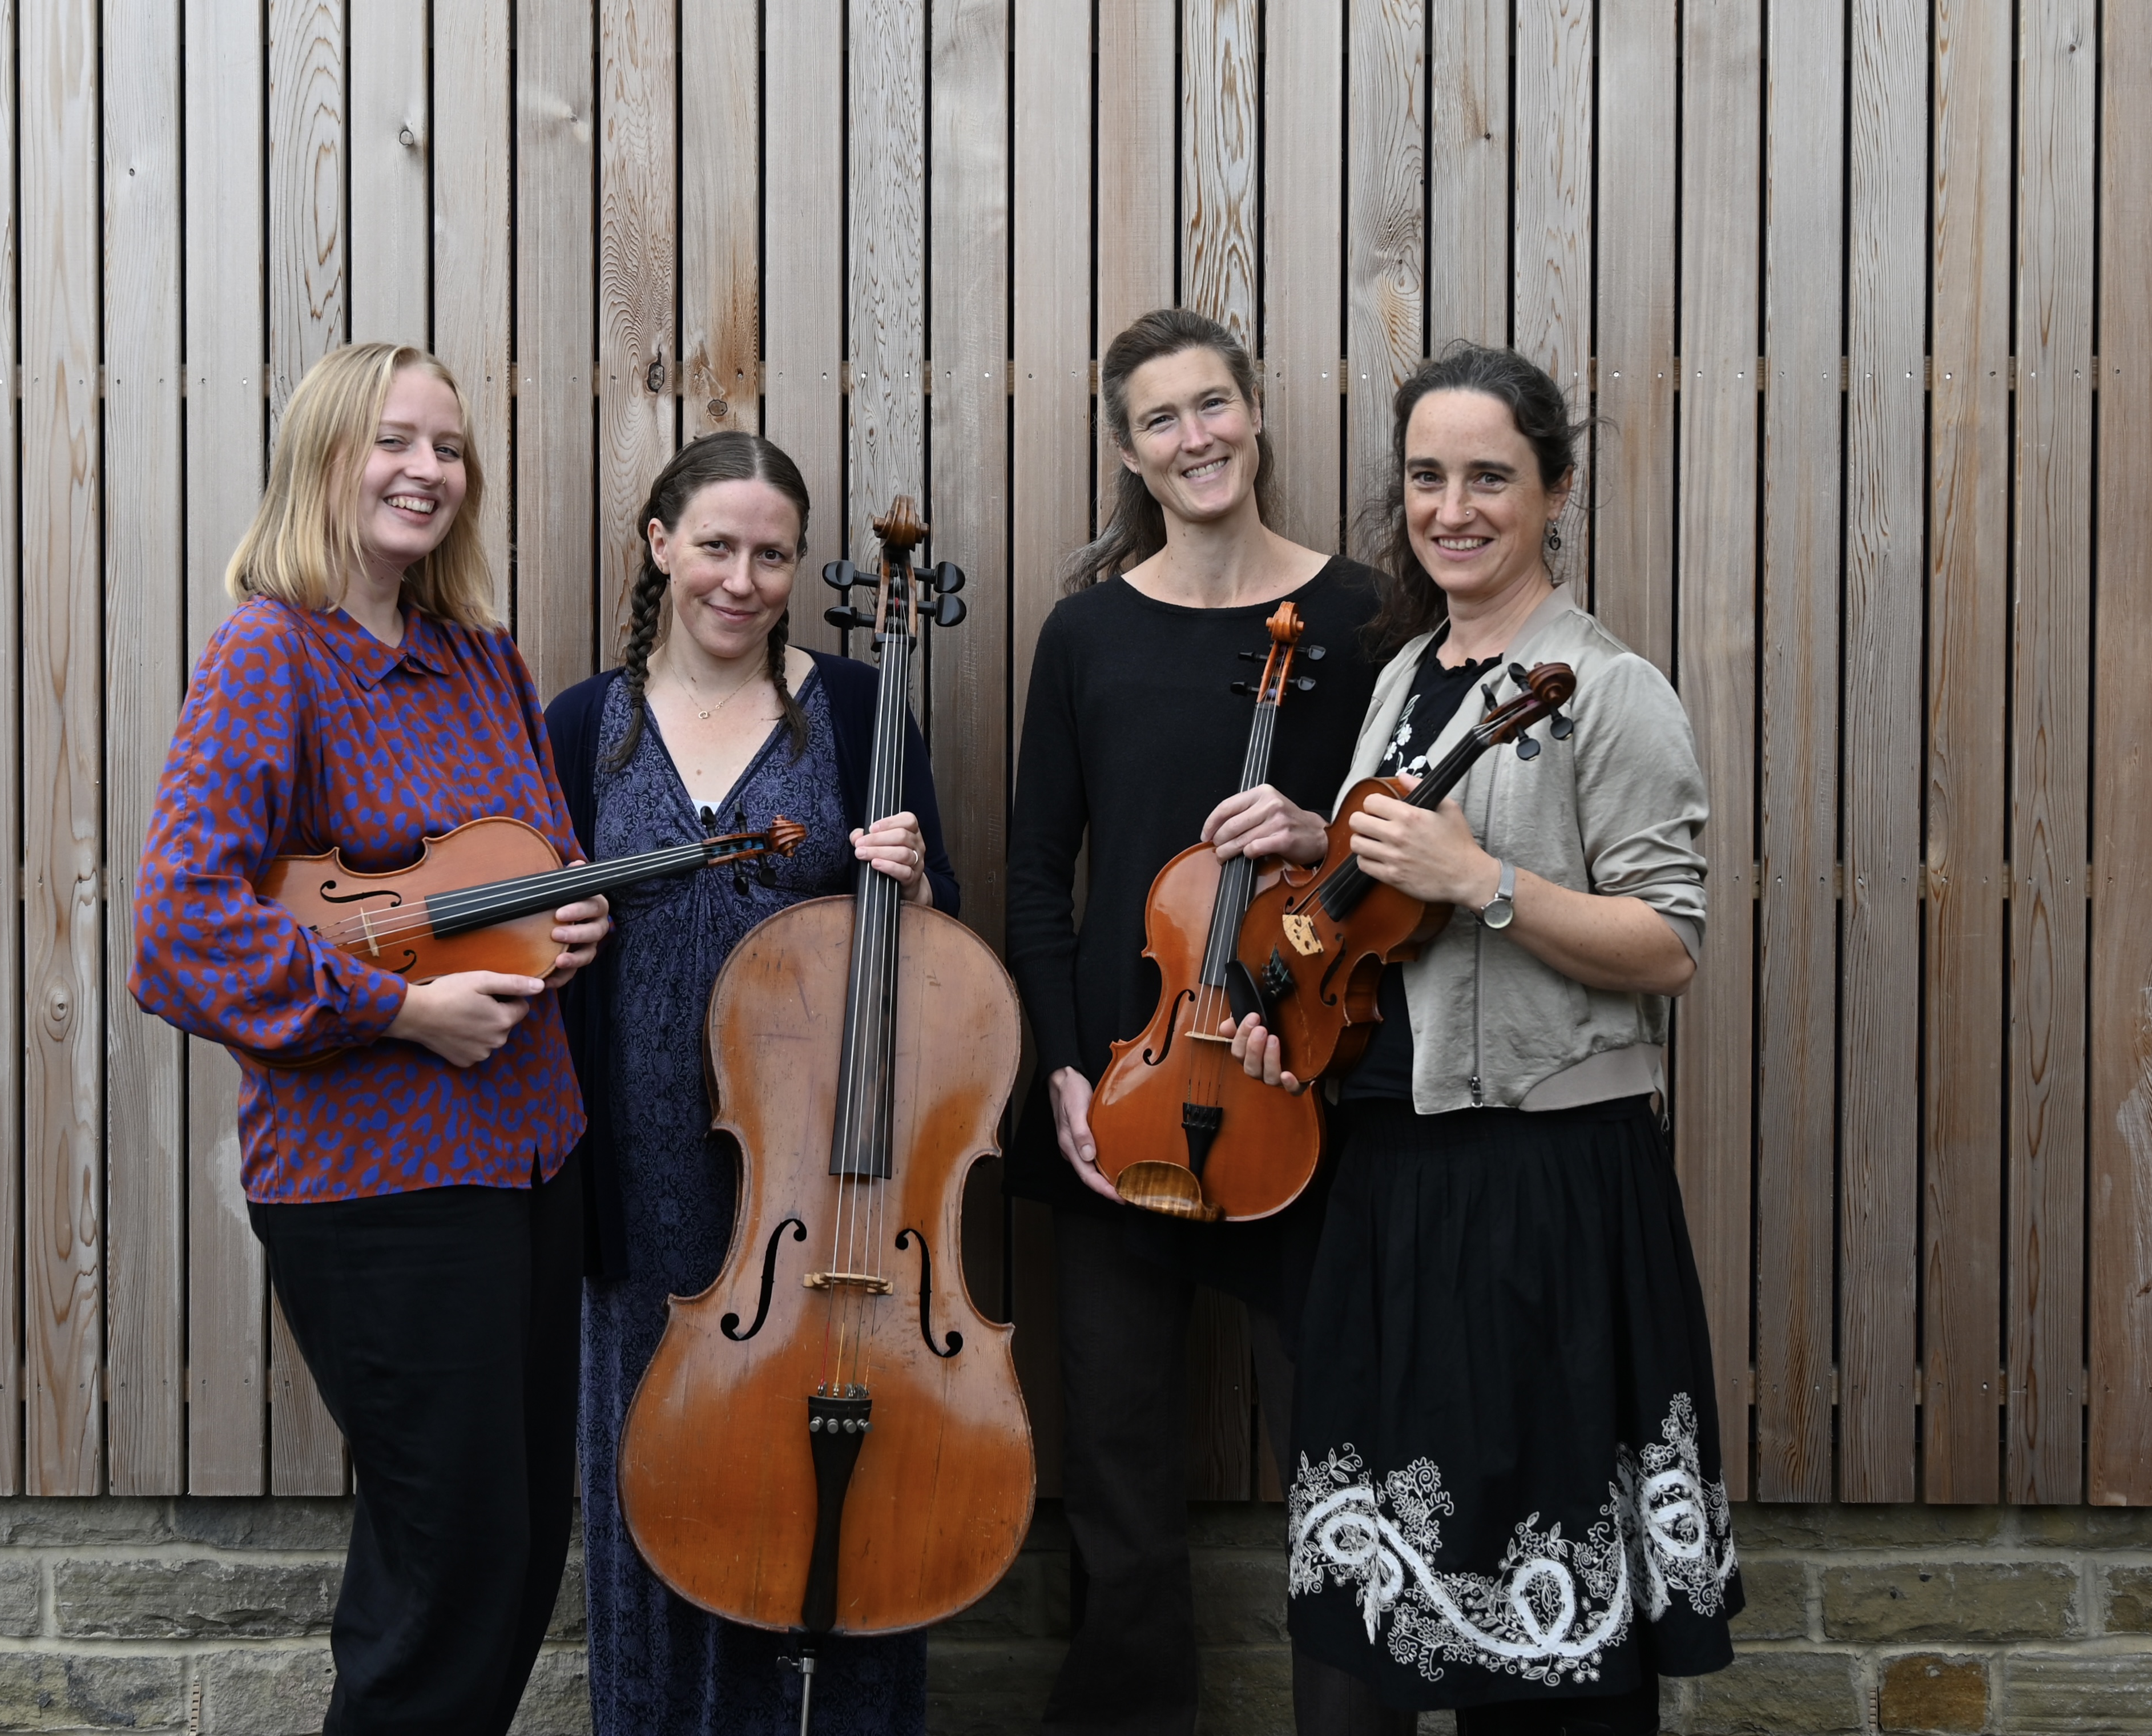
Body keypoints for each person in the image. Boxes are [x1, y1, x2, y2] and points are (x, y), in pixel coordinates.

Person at [1226, 344, 1740, 1736]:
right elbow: (1375, 943)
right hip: (1388, 1186)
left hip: (1548, 1192)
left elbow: (1668, 944)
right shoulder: (1400, 679)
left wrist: (1484, 881)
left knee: (1543, 1641)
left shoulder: (1608, 686)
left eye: (1490, 477)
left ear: (1554, 489)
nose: (1453, 507)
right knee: (1361, 1632)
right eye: (1427, 477)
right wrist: (1303, 1000)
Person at [126, 341, 608, 1736]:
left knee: (513, 1549)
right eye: (392, 440)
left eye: (448, 448)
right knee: (445, 1564)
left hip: (529, 1157)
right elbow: (180, 927)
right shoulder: (269, 652)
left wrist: (569, 925)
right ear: (323, 458)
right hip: (377, 1183)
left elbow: (540, 865)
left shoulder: (479, 659)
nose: (425, 470)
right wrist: (401, 1007)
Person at [1004, 308, 1385, 1736]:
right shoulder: (1089, 629)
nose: (1194, 437)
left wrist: (1320, 823)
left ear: (1256, 411)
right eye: (1159, 419)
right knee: (1116, 1464)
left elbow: (1403, 854)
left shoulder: (1356, 617)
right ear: (1126, 450)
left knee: (1336, 1453)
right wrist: (1054, 1062)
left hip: (1302, 1083)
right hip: (1119, 1089)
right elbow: (1043, 872)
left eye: (1212, 404)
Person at [545, 432, 957, 1736]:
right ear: (658, 542)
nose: (742, 575)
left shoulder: (854, 705)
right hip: (641, 1148)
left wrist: (914, 887)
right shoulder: (577, 725)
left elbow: (926, 965)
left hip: (819, 1165)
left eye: (770, 552)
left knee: (823, 1461)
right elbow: (526, 940)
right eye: (715, 544)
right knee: (655, 1460)